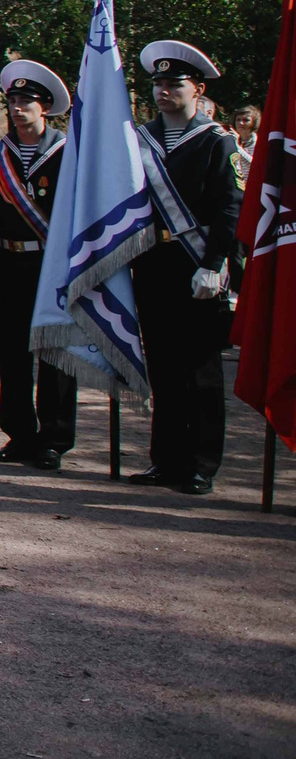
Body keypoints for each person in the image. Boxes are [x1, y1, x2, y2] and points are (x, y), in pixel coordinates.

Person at [127, 40, 241, 496]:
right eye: (158, 84)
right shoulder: (140, 138)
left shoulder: (218, 142)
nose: (164, 91)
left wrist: (215, 264)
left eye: (174, 83)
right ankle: (167, 459)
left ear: (197, 89)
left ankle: (200, 463)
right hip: (154, 262)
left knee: (201, 371)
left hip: (198, 265)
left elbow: (231, 208)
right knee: (165, 369)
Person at [0, 59, 74, 470]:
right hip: (9, 262)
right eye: (14, 100)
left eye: (27, 101)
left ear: (46, 108)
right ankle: (19, 434)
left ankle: (53, 439)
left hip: (51, 267)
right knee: (12, 354)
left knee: (54, 353)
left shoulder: (68, 155)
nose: (18, 108)